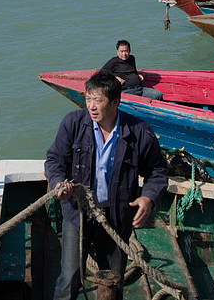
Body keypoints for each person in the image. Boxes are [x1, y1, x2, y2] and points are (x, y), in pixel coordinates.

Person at [45, 70, 169, 300]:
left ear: (115, 102)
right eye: (88, 99)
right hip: (77, 214)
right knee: (69, 277)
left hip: (116, 218)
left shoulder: (139, 132)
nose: (91, 106)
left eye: (98, 100)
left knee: (112, 282)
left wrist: (148, 197)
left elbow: (158, 170)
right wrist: (58, 182)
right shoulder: (73, 123)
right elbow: (55, 160)